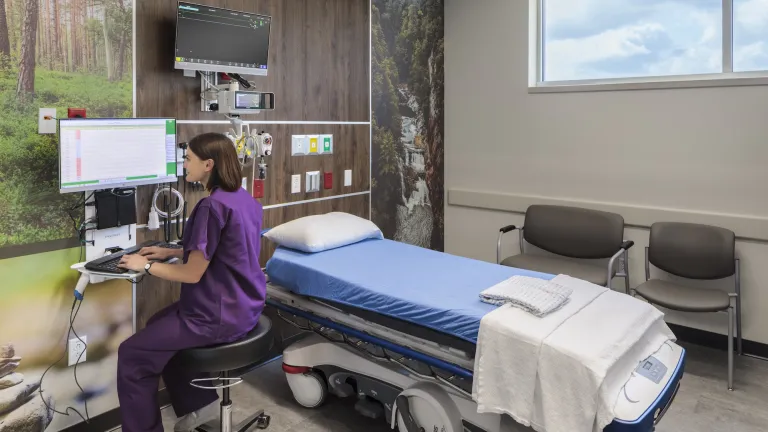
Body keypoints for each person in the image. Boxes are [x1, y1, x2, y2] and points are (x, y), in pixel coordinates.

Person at [115, 132, 266, 432]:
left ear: (208, 164)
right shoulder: (242, 198)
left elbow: (192, 273)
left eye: (188, 158)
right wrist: (171, 251)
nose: (184, 164)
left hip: (215, 317)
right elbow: (223, 249)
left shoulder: (211, 206)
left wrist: (144, 265)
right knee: (157, 325)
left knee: (131, 355)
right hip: (244, 307)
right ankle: (199, 405)